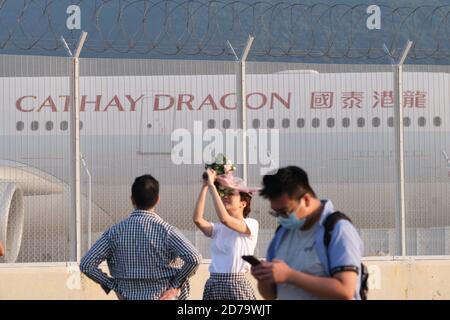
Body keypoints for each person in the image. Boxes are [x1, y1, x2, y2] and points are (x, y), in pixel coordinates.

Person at [80, 174, 202, 300]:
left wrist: (113, 285)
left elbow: (86, 264)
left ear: (132, 200)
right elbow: (194, 258)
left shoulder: (114, 233)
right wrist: (175, 286)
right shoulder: (167, 232)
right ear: (157, 199)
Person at [251, 166, 364, 300]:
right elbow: (271, 295)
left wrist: (290, 276)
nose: (282, 218)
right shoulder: (282, 233)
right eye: (276, 213)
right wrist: (263, 278)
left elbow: (345, 290)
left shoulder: (338, 229)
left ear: (306, 200)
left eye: (285, 211)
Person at [193, 168, 259, 300]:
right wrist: (205, 186)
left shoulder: (251, 224)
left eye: (231, 194)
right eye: (224, 193)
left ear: (243, 203)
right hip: (214, 284)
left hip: (236, 285)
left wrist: (212, 186)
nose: (225, 196)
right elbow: (198, 220)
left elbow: (225, 219)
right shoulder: (218, 228)